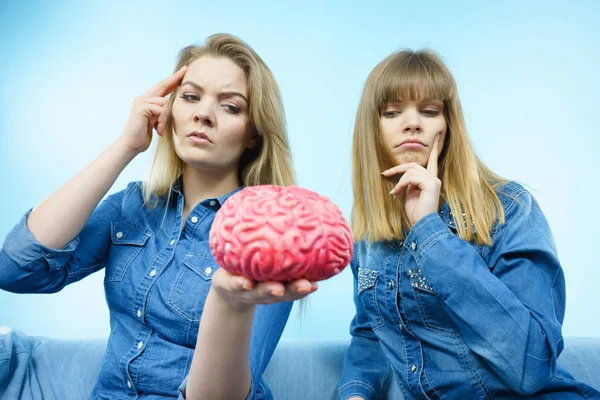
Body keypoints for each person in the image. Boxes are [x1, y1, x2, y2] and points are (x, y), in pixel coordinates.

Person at [0, 33, 316, 400]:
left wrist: (229, 301)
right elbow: (17, 271)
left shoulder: (272, 232)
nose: (202, 113)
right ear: (170, 110)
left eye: (230, 106)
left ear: (253, 134)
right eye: (191, 97)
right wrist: (126, 146)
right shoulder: (134, 206)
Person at [338, 49, 600, 399]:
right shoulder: (368, 240)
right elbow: (371, 332)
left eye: (429, 111)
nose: (412, 122)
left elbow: (531, 366)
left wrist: (430, 230)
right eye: (392, 112)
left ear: (448, 127)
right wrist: (355, 393)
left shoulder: (509, 209)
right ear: (374, 129)